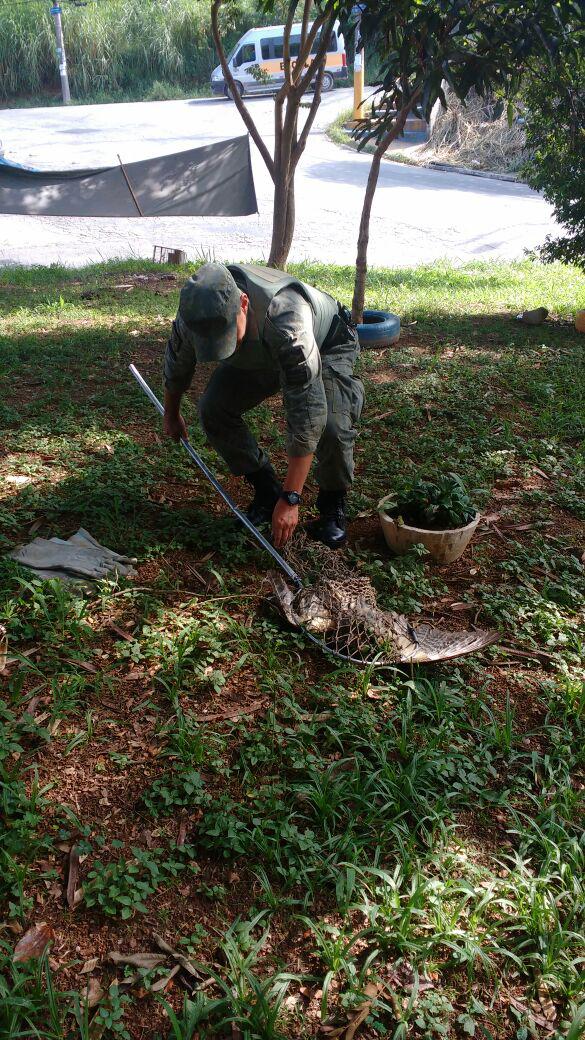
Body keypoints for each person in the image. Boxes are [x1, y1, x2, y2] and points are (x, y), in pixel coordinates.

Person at [162, 262, 364, 549]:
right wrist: (171, 413)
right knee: (213, 409)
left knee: (332, 425)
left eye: (226, 334)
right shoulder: (194, 315)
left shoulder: (287, 320)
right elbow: (177, 363)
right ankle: (266, 490)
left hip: (328, 342)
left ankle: (333, 504)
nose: (220, 345)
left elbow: (307, 412)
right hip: (263, 351)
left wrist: (291, 498)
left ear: (243, 304)